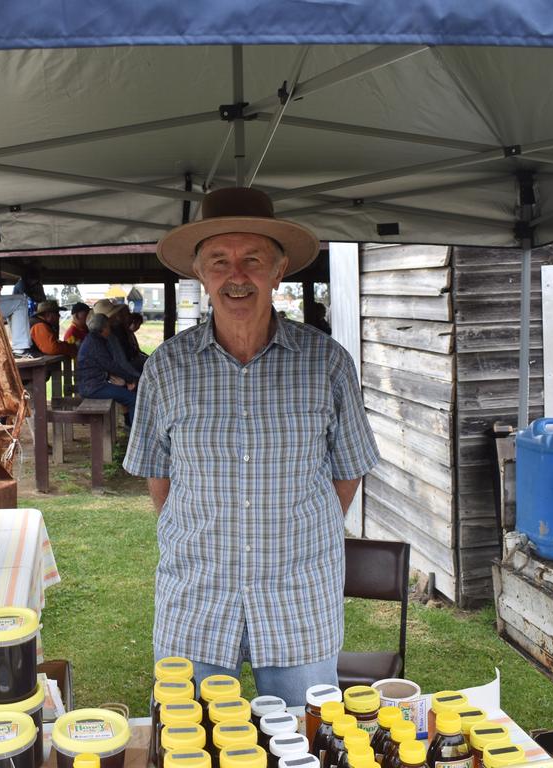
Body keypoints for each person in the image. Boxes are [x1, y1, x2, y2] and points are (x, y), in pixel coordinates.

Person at [123, 187, 379, 706]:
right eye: (219, 260)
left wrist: (298, 530)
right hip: (195, 598)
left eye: (252, 260)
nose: (235, 275)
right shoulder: (166, 368)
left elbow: (348, 471)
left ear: (278, 269)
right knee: (189, 749)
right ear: (200, 271)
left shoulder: (327, 363)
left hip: (298, 599)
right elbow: (159, 476)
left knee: (302, 750)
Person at [76, 312, 138, 426]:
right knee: (133, 399)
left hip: (93, 384)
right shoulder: (96, 342)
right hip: (93, 387)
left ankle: (130, 428)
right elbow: (110, 365)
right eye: (109, 326)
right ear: (104, 328)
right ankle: (135, 435)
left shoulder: (93, 339)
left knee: (128, 392)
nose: (110, 329)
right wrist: (130, 379)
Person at [92, 299, 142, 381]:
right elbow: (121, 362)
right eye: (115, 315)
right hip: (112, 378)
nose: (118, 317)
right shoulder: (111, 336)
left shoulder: (104, 335)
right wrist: (136, 377)